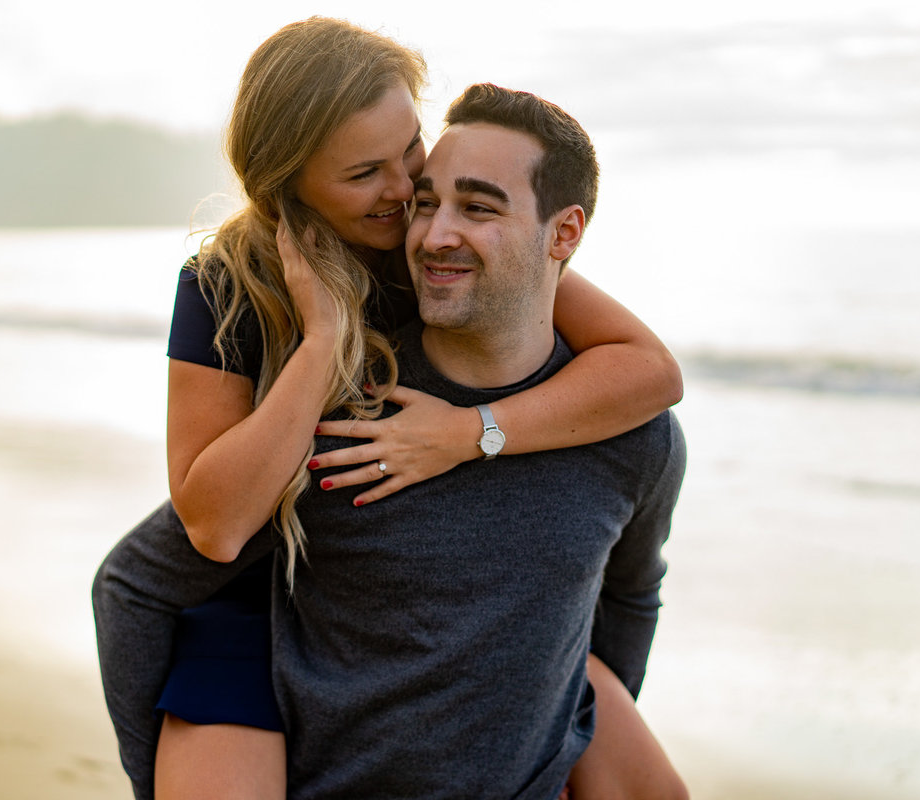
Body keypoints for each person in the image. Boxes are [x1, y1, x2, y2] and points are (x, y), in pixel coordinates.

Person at [92, 17, 683, 800]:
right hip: (260, 584)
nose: (406, 192)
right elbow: (212, 525)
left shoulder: (436, 241)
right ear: (290, 187)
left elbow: (648, 372)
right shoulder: (226, 285)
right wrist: (322, 341)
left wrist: (467, 434)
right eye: (365, 171)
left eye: (410, 148)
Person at [267, 81, 687, 798]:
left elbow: (629, 593)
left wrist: (574, 745)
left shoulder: (632, 434)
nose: (433, 237)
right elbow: (161, 587)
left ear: (564, 233)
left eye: (479, 207)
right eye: (426, 203)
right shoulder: (335, 410)